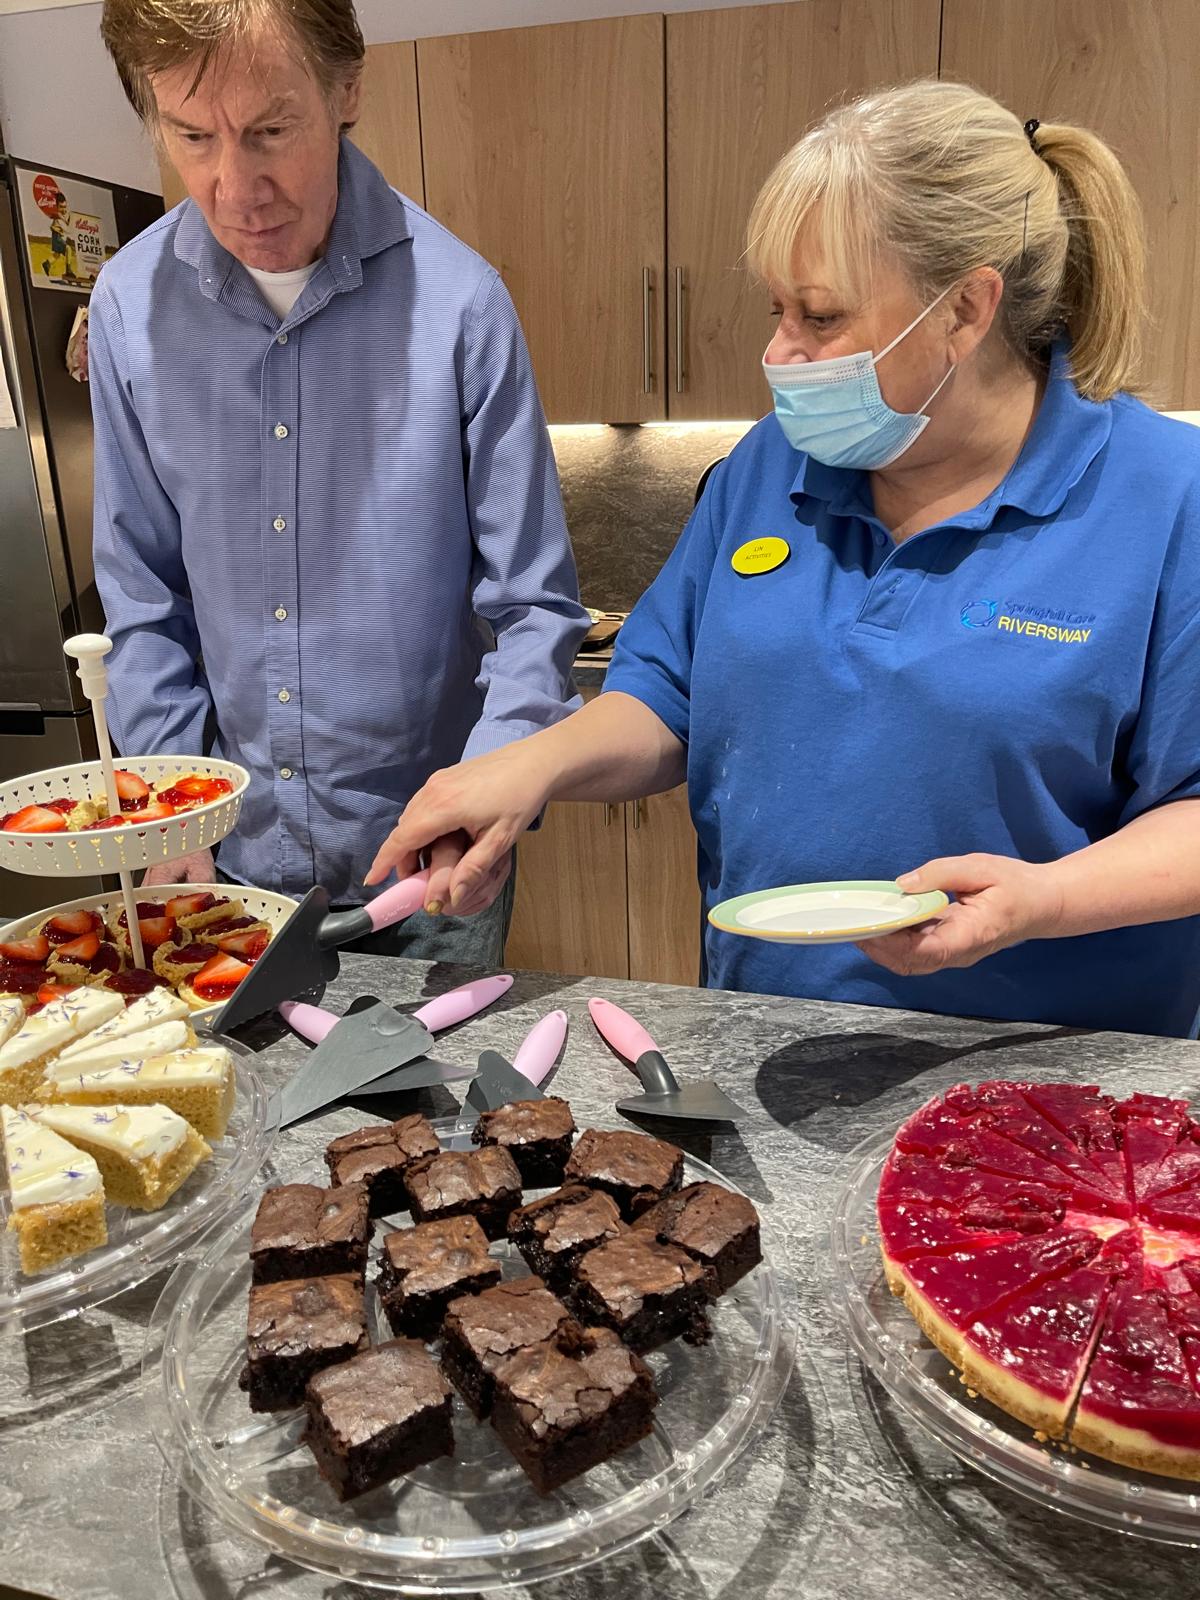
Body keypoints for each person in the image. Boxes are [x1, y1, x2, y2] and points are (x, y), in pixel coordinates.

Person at [368, 80, 1200, 1037]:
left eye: (822, 316)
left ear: (967, 310)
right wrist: (532, 766)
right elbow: (666, 695)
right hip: (762, 1037)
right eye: (778, 310)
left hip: (1047, 1069)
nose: (782, 353)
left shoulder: (1167, 500)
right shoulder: (772, 464)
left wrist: (1040, 901)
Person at [91, 0, 588, 965]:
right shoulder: (126, 309)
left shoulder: (462, 305)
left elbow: (533, 606)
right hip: (224, 857)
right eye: (193, 138)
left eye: (271, 131)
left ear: (346, 90)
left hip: (427, 865)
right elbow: (143, 594)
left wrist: (487, 787)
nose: (236, 188)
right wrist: (170, 805)